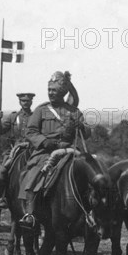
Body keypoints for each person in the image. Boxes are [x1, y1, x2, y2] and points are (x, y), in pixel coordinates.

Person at [18, 71, 88, 228]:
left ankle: (91, 213)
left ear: (62, 92)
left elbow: (87, 133)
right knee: (36, 173)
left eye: (54, 90)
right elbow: (31, 131)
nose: (50, 93)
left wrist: (81, 126)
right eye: (49, 90)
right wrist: (44, 142)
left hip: (70, 150)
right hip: (45, 152)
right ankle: (30, 213)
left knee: (89, 171)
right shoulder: (41, 110)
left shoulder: (74, 111)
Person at [0, 93, 36, 209]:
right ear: (20, 102)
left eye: (28, 101)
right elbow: (0, 131)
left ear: (31, 102)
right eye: (23, 101)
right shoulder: (13, 117)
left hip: (32, 149)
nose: (25, 103)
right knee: (2, 171)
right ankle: (1, 197)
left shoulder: (35, 116)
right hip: (15, 150)